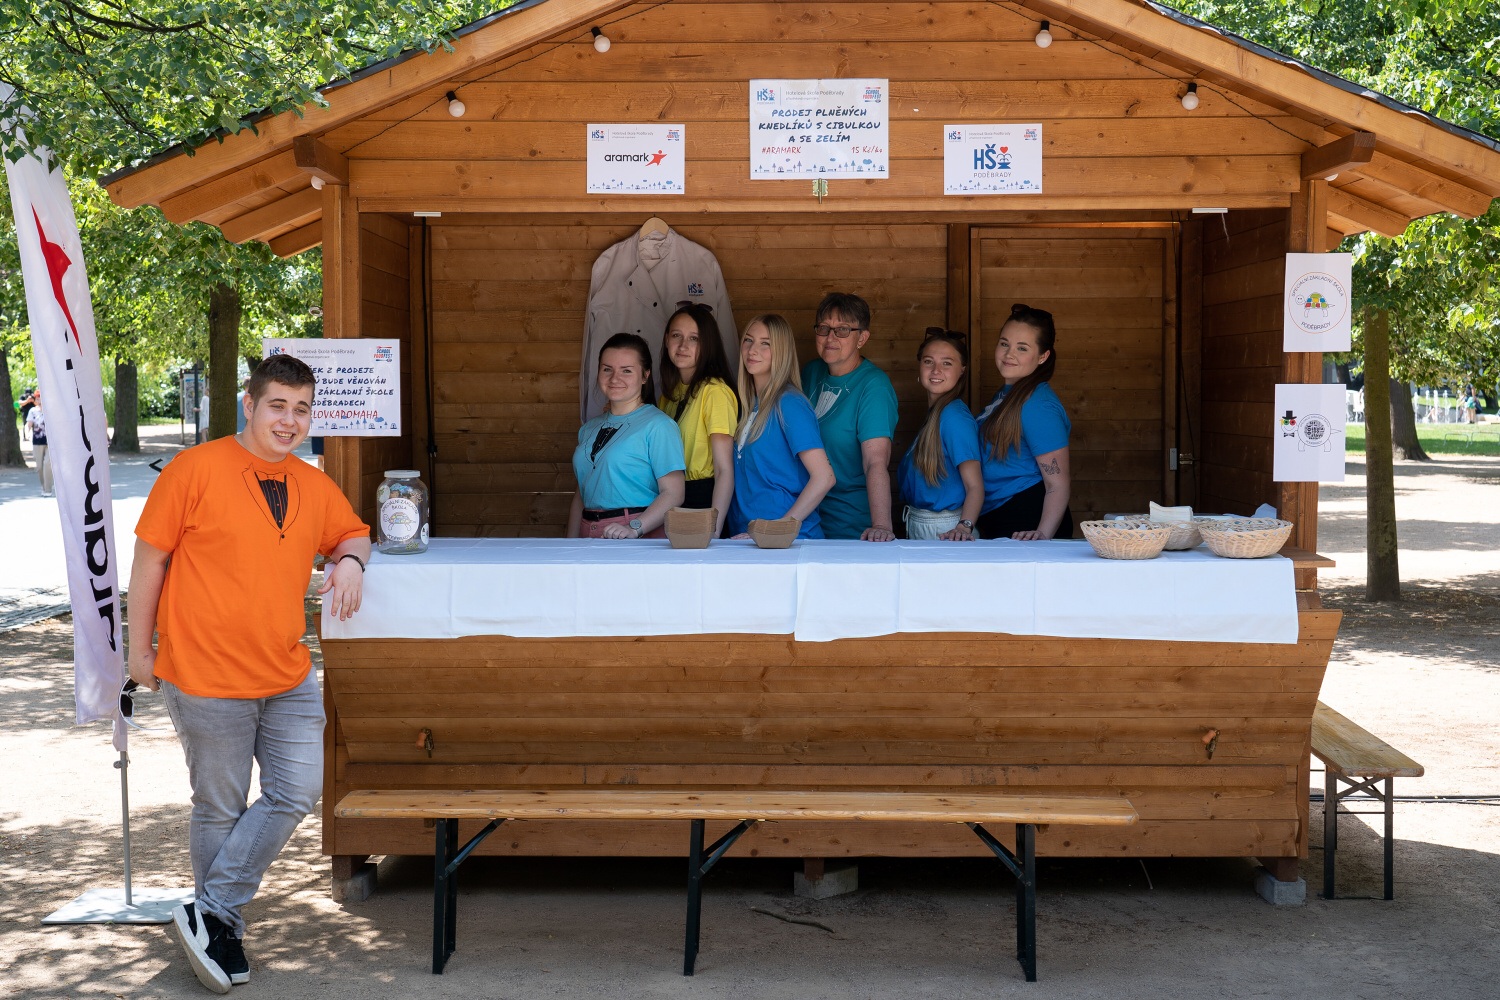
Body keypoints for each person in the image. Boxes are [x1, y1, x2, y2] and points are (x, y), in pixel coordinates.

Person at [127, 354, 371, 993]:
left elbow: (353, 533)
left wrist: (350, 561)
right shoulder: (194, 469)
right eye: (278, 406)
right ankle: (222, 927)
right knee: (220, 805)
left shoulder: (313, 483)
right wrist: (137, 650)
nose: (290, 420)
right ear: (250, 404)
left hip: (287, 670)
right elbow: (149, 561)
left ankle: (209, 910)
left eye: (302, 409)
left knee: (298, 789)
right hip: (204, 671)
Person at [800, 292, 899, 541]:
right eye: (824, 328)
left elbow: (875, 461)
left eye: (843, 330)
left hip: (849, 525)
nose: (830, 337)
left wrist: (881, 525)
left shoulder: (874, 386)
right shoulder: (811, 372)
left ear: (862, 338)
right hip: (806, 518)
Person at [567, 333, 686, 539]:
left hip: (637, 535)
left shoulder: (659, 426)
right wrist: (570, 543)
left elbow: (674, 493)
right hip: (589, 531)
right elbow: (581, 494)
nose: (614, 378)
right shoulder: (589, 428)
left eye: (626, 370)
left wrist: (634, 528)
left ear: (645, 376)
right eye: (607, 369)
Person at [728, 315, 836, 538]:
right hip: (750, 539)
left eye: (765, 343)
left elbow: (824, 477)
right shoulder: (747, 405)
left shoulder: (790, 403)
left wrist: (778, 528)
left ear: (782, 351)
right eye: (748, 340)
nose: (752, 350)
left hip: (791, 541)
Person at [976, 304, 1074, 541]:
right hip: (1000, 514)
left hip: (1026, 519)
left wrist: (1042, 535)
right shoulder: (1006, 394)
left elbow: (1058, 484)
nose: (1009, 354)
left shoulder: (1038, 405)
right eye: (1004, 344)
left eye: (1022, 348)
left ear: (1042, 356)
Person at [657, 304, 737, 536]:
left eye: (694, 338)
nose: (683, 346)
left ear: (708, 345)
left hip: (703, 498)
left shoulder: (715, 391)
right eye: (676, 336)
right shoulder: (669, 395)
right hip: (670, 497)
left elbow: (724, 470)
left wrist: (714, 528)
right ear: (666, 339)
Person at [897, 329, 984, 540]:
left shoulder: (954, 417)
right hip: (924, 523)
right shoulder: (936, 415)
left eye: (947, 363)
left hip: (947, 529)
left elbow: (975, 486)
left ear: (962, 370)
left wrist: (964, 527)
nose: (936, 370)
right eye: (928, 361)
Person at [25, 391, 53, 496]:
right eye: (37, 398)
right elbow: (28, 424)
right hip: (37, 441)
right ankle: (44, 486)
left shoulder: (50, 410)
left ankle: (48, 489)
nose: (39, 400)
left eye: (40, 398)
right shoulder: (33, 411)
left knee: (47, 464)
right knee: (40, 467)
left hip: (50, 442)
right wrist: (27, 433)